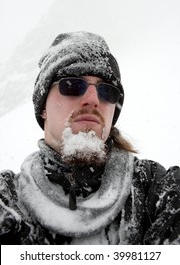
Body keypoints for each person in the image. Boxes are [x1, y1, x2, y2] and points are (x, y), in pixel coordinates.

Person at [0, 31, 180, 245]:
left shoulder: (156, 189)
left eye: (107, 91)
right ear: (43, 108)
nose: (93, 99)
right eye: (72, 85)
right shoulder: (8, 199)